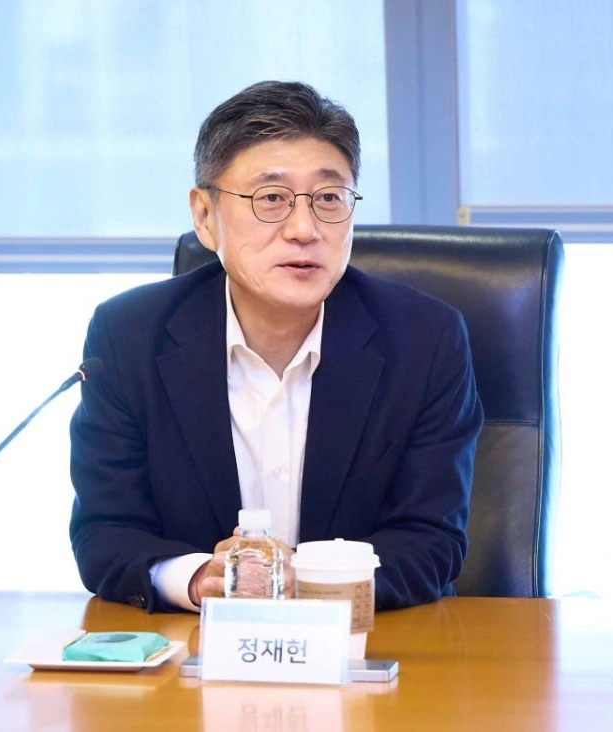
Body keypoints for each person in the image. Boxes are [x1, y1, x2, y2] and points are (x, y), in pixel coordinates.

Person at [69, 80, 483, 613]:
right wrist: (199, 579)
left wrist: (306, 579)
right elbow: (106, 533)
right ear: (204, 216)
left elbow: (431, 541)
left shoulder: (424, 339)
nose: (304, 229)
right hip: (197, 649)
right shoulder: (128, 336)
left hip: (373, 644)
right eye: (271, 199)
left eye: (329, 198)